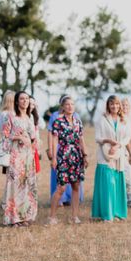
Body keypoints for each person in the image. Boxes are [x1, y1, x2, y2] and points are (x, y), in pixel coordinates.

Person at [49, 96, 88, 224]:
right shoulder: (58, 122)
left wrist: (85, 155)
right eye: (67, 104)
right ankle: (52, 217)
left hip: (76, 156)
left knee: (76, 186)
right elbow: (55, 140)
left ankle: (74, 216)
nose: (70, 106)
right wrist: (54, 158)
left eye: (72, 104)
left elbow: (81, 139)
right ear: (63, 107)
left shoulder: (78, 122)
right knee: (61, 188)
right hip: (63, 156)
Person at [92, 95, 130, 221]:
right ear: (108, 105)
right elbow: (97, 137)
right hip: (105, 155)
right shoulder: (101, 119)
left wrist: (118, 145)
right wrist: (108, 141)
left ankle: (117, 213)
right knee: (108, 184)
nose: (115, 106)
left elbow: (127, 137)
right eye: (112, 104)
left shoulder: (124, 119)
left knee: (117, 184)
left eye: (117, 104)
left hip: (119, 155)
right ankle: (106, 215)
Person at [3, 91, 38, 227]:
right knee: (15, 185)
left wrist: (33, 142)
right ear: (17, 102)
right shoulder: (11, 116)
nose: (25, 101)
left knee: (26, 186)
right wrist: (19, 137)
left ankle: (24, 216)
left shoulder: (29, 117)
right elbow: (6, 135)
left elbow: (33, 136)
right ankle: (13, 218)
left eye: (27, 99)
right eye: (22, 99)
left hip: (28, 155)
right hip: (16, 155)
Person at [0, 90, 14, 211]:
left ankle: (6, 201)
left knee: (10, 176)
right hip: (11, 145)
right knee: (11, 176)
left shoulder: (2, 113)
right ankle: (6, 202)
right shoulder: (9, 114)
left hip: (5, 144)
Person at [29, 96, 42, 175]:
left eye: (33, 104)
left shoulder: (34, 116)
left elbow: (41, 126)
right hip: (24, 147)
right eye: (30, 104)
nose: (31, 106)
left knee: (33, 172)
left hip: (34, 147)